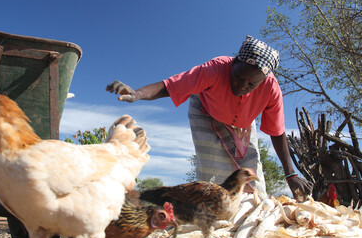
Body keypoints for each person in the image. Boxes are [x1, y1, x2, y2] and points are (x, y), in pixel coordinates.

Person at [106, 35, 313, 199]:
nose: (241, 86)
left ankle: (249, 218)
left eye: (251, 84)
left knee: (252, 177)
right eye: (239, 77)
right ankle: (211, 217)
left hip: (243, 124)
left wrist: (290, 174)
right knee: (213, 177)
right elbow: (171, 86)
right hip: (206, 112)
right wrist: (137, 94)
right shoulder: (214, 69)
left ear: (263, 81)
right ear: (234, 63)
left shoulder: (271, 89)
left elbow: (277, 132)